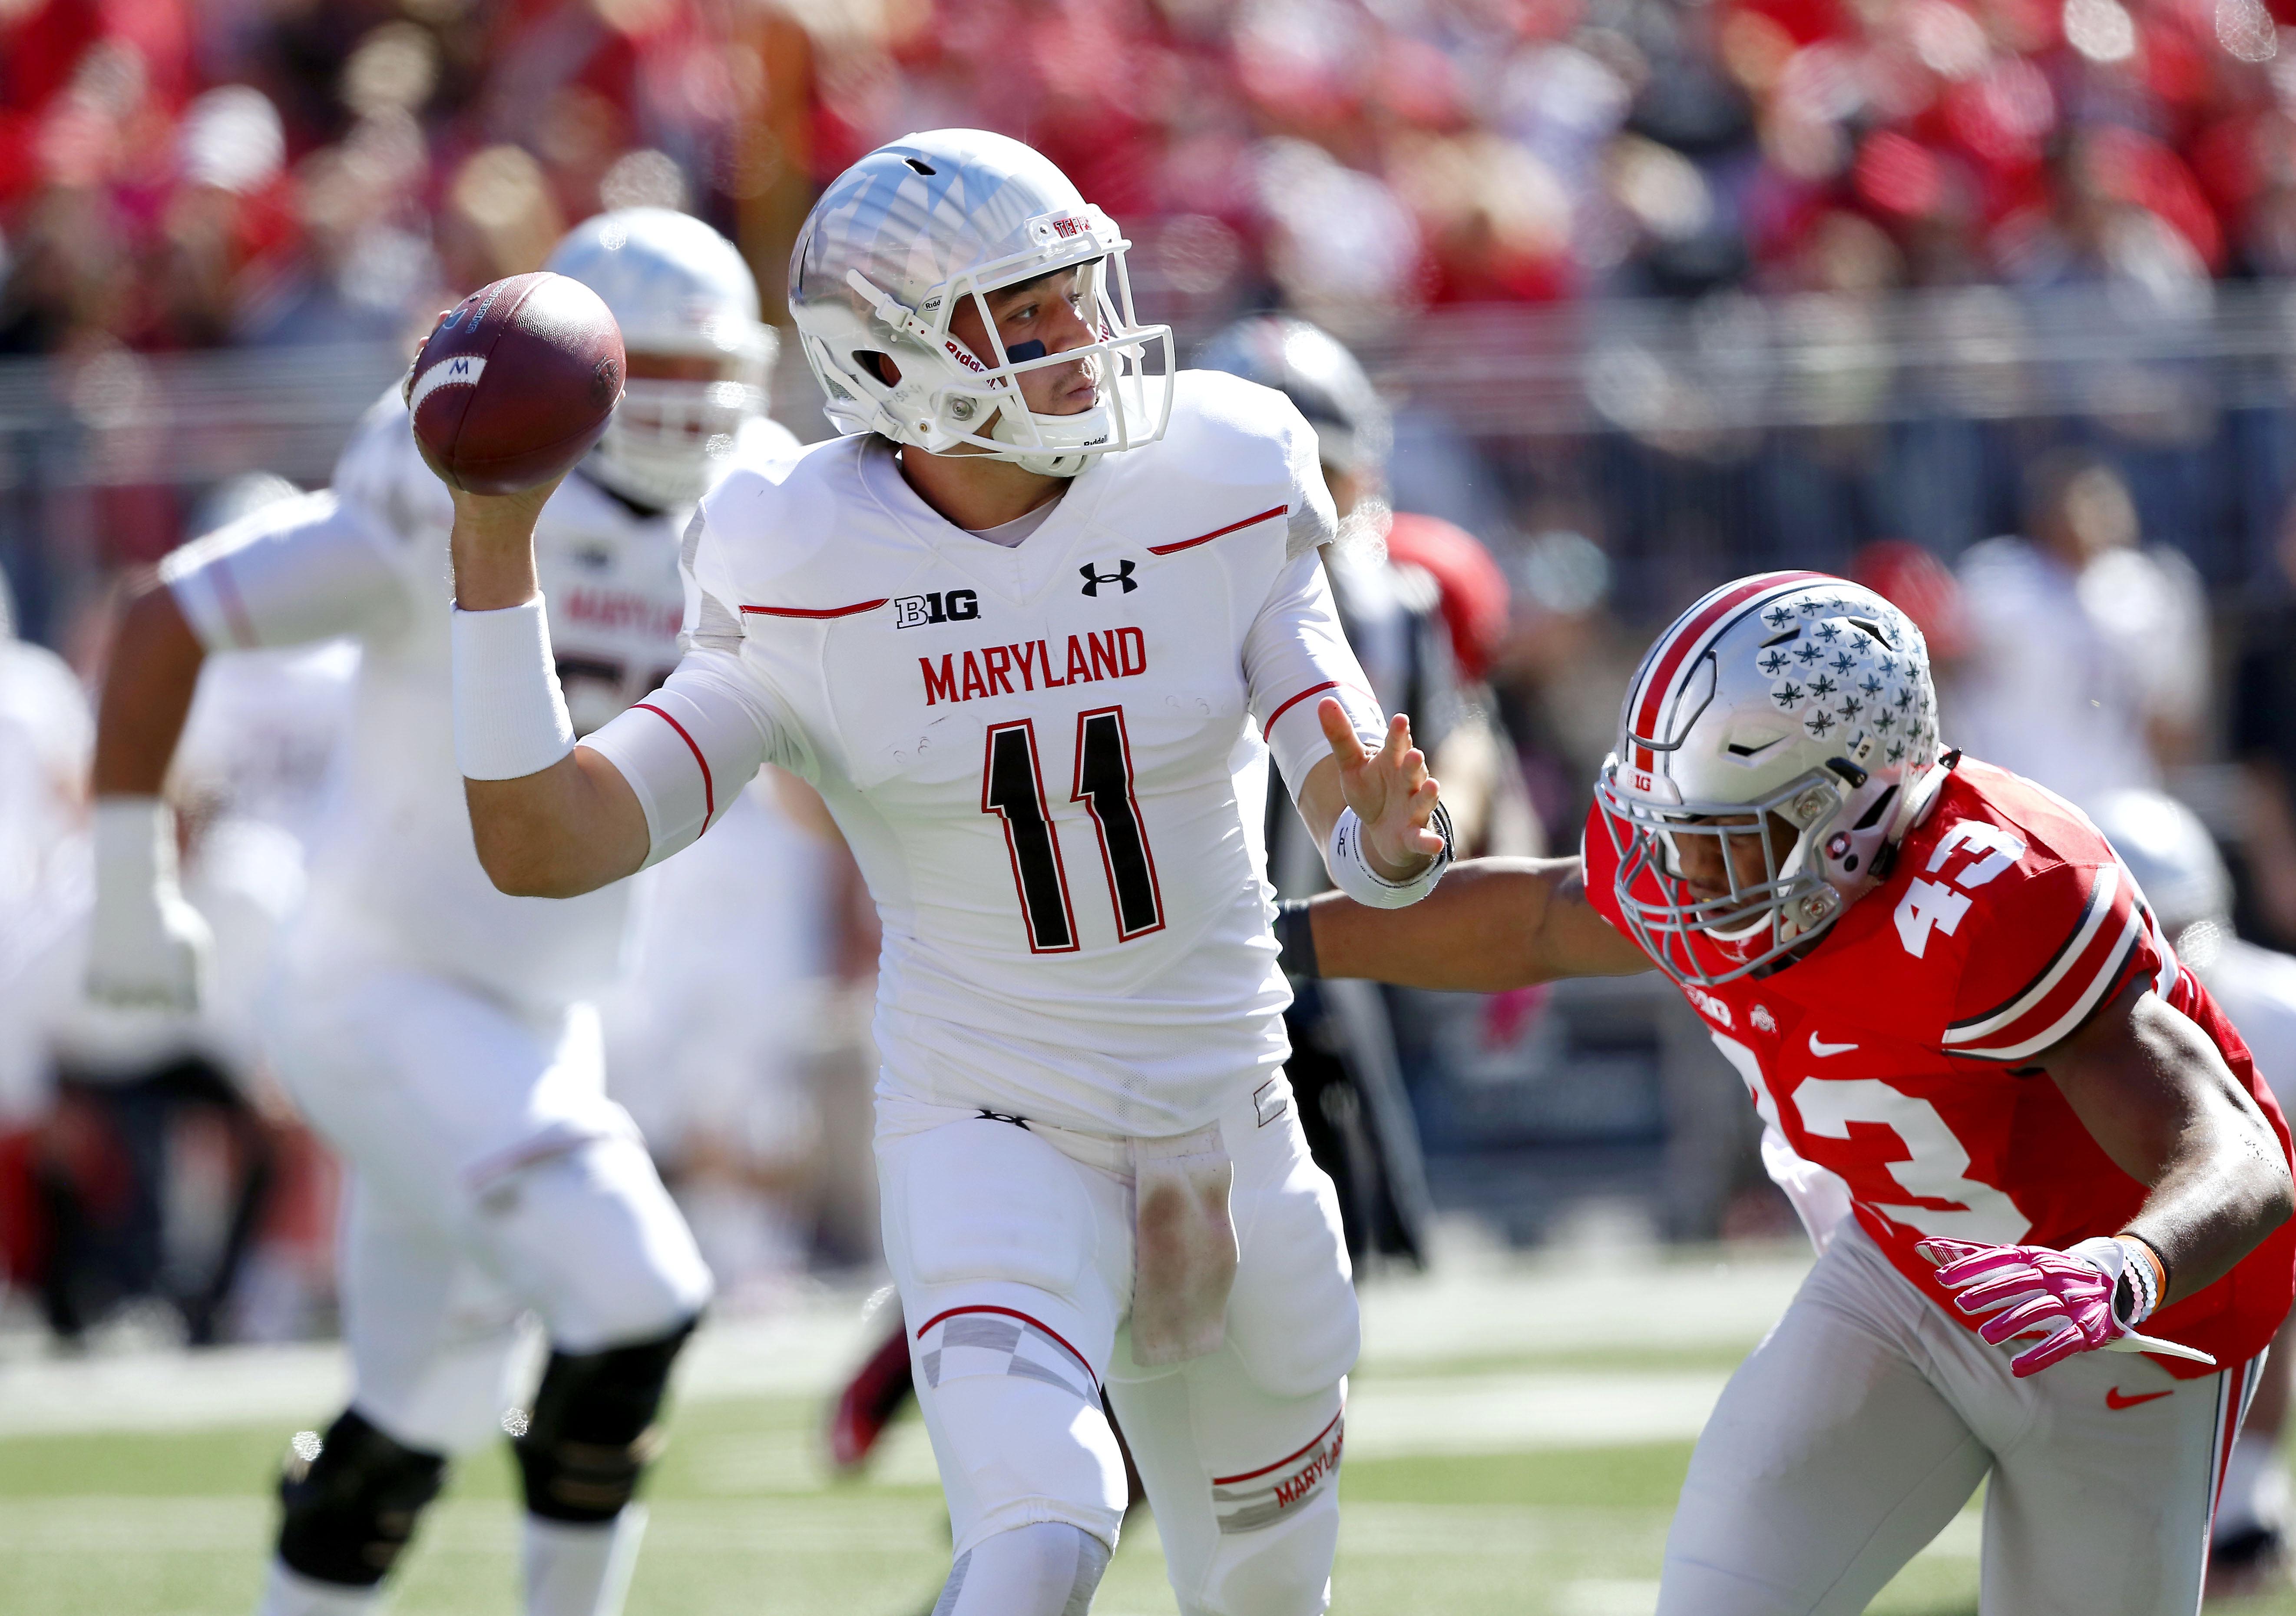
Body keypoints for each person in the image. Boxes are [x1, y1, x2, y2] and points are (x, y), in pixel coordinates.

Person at [439, 129, 1448, 1616]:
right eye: (1027, 319)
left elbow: (1357, 808)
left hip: (1230, 1120)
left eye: (1080, 295)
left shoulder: (1217, 471)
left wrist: (1393, 842)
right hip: (992, 1132)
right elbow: (545, 841)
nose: (1085, 343)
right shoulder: (798, 556)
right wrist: (492, 546)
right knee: (1045, 1532)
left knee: (1262, 1595)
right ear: (893, 357)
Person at [1282, 569, 2296, 1614]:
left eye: (1725, 836)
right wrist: (1266, 945)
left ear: (1853, 818)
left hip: (2126, 1327)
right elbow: (1545, 916)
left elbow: (2240, 1154)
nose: (1676, 872)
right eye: (1671, 826)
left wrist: (2127, 1269)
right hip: (1911, 1270)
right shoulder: (1697, 859)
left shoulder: (1997, 900)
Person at [84, 207, 794, 1616]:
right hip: (381, 984)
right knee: (639, 1296)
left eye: (711, 374)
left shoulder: (765, 502)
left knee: (414, 1421)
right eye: (642, 372)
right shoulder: (449, 488)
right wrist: (125, 881)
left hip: (548, 1009)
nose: (688, 410)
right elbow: (171, 615)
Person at [2090, 788, 2296, 1596]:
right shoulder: (2050, 1030)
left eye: (2179, 935)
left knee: (2263, 1242)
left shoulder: (2275, 1008)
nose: (2164, 962)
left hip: (2249, 1249)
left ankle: (2243, 1504)